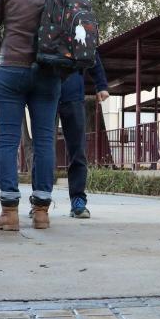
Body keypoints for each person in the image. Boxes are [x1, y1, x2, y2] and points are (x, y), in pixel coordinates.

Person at [0, 0, 63, 231]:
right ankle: (41, 211)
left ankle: (9, 213)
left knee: (8, 139)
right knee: (44, 140)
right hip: (49, 73)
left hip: (12, 69)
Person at [57, 52, 109, 219]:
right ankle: (39, 201)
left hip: (73, 94)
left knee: (77, 150)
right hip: (44, 93)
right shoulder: (40, 25)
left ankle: (78, 200)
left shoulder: (77, 26)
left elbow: (91, 51)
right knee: (43, 149)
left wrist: (101, 84)